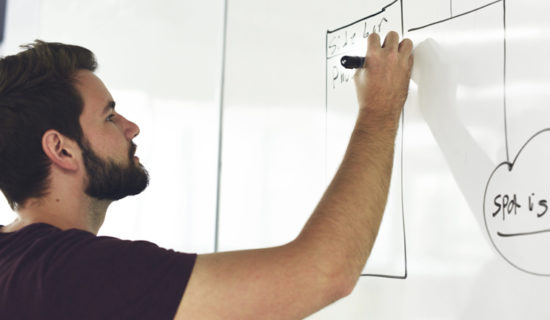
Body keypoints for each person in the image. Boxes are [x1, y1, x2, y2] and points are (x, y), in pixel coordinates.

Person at [0, 31, 412, 319]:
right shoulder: (74, 273)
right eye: (109, 117)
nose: (131, 127)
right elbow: (323, 274)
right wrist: (379, 111)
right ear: (61, 149)